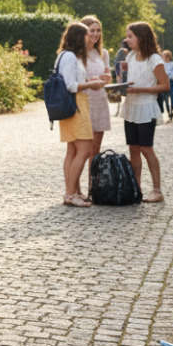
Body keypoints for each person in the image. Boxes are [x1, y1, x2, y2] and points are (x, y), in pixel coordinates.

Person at [54, 23, 106, 208]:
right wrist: (91, 85)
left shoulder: (67, 55)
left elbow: (74, 81)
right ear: (79, 37)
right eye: (86, 35)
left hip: (72, 106)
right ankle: (70, 194)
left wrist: (88, 80)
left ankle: (71, 193)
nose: (89, 38)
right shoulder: (69, 57)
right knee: (84, 150)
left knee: (72, 151)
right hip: (76, 107)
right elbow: (71, 85)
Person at [122, 22, 169, 202]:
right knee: (133, 149)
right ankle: (137, 188)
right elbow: (127, 81)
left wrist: (142, 89)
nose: (127, 40)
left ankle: (157, 190)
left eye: (130, 36)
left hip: (146, 107)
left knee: (146, 148)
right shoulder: (130, 57)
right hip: (130, 107)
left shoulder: (154, 59)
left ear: (141, 37)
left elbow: (165, 86)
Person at [80, 15, 113, 189]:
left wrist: (106, 78)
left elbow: (107, 76)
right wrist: (90, 80)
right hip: (84, 101)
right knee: (81, 150)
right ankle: (74, 189)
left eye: (98, 30)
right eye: (92, 30)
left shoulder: (103, 53)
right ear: (84, 32)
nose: (95, 34)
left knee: (95, 150)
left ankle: (93, 187)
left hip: (100, 101)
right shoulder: (77, 53)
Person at [160, 49, 173, 122]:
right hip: (164, 82)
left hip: (171, 82)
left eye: (164, 56)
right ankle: (168, 112)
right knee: (165, 99)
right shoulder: (161, 64)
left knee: (172, 98)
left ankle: (171, 112)